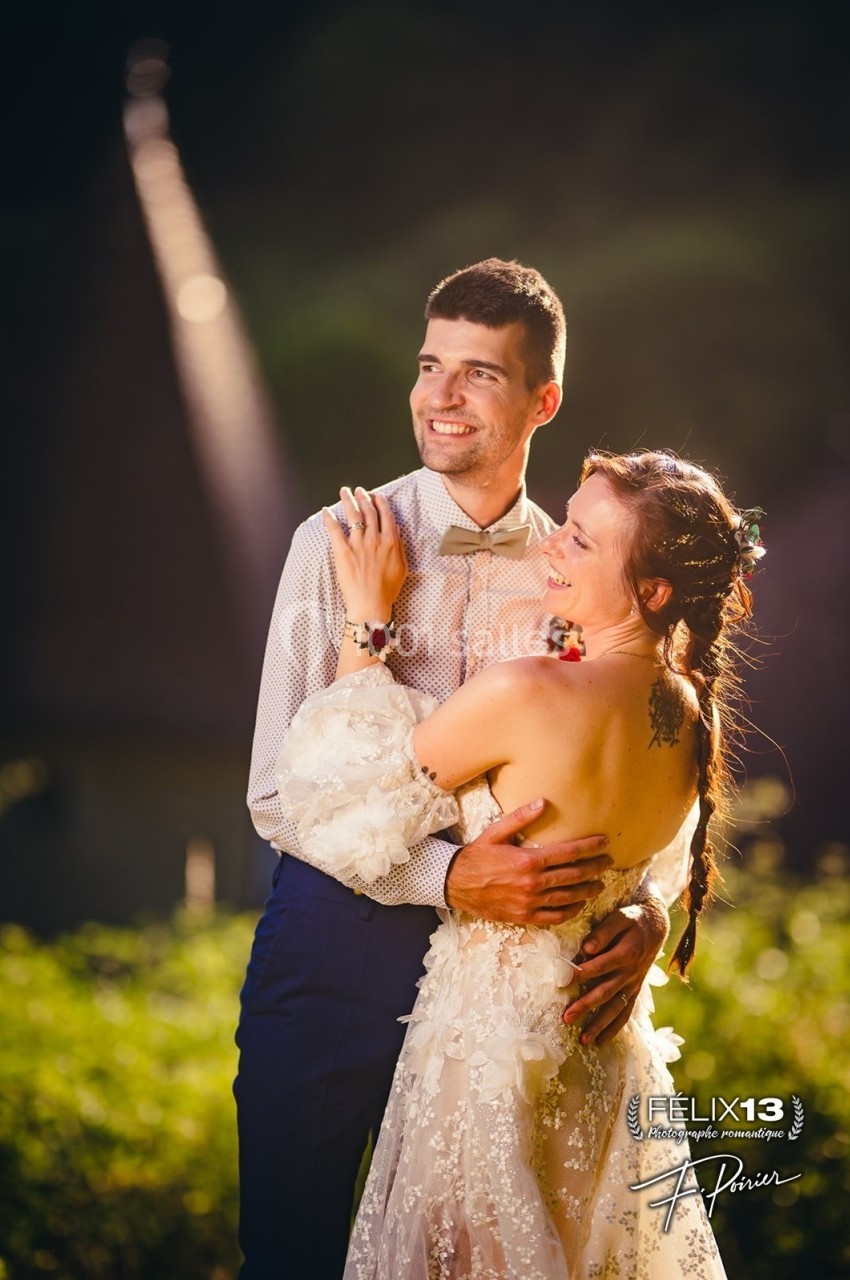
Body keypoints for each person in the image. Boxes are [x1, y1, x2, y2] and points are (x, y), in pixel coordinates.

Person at [235, 260, 676, 1279]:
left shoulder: (583, 563)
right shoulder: (334, 544)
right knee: (290, 1252)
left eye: (477, 374)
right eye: (430, 365)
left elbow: (648, 736)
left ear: (542, 400)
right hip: (334, 946)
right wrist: (445, 877)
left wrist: (643, 904)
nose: (438, 396)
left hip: (518, 983)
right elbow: (277, 793)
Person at [277, 449, 765, 1277]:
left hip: (489, 1052)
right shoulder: (690, 714)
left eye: (578, 541)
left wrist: (367, 618)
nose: (550, 548)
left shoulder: (529, 692)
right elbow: (655, 861)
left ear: (652, 591)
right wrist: (646, 910)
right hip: (600, 1059)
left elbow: (338, 787)